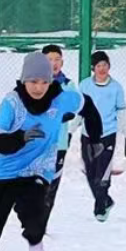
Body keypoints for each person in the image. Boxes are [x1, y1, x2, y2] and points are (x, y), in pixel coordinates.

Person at [0, 52, 102, 251]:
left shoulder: (61, 98)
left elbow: (87, 105)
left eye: (44, 82)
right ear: (23, 80)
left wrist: (96, 137)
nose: (39, 87)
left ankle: (35, 238)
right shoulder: (12, 103)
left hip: (38, 171)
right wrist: (20, 137)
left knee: (35, 215)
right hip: (5, 174)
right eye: (33, 81)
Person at [76, 51, 126, 222]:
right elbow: (79, 111)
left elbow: (122, 113)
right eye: (98, 65)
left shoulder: (116, 88)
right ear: (93, 68)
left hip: (107, 134)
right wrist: (70, 132)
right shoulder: (85, 86)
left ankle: (100, 206)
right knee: (90, 173)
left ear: (109, 67)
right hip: (88, 135)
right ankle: (106, 200)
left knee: (102, 174)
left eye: (105, 65)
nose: (102, 69)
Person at [41, 44, 78, 232]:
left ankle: (41, 225)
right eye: (49, 60)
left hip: (58, 144)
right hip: (36, 143)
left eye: (57, 60)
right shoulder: (33, 84)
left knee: (51, 185)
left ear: (62, 62)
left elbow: (74, 109)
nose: (54, 63)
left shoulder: (68, 85)